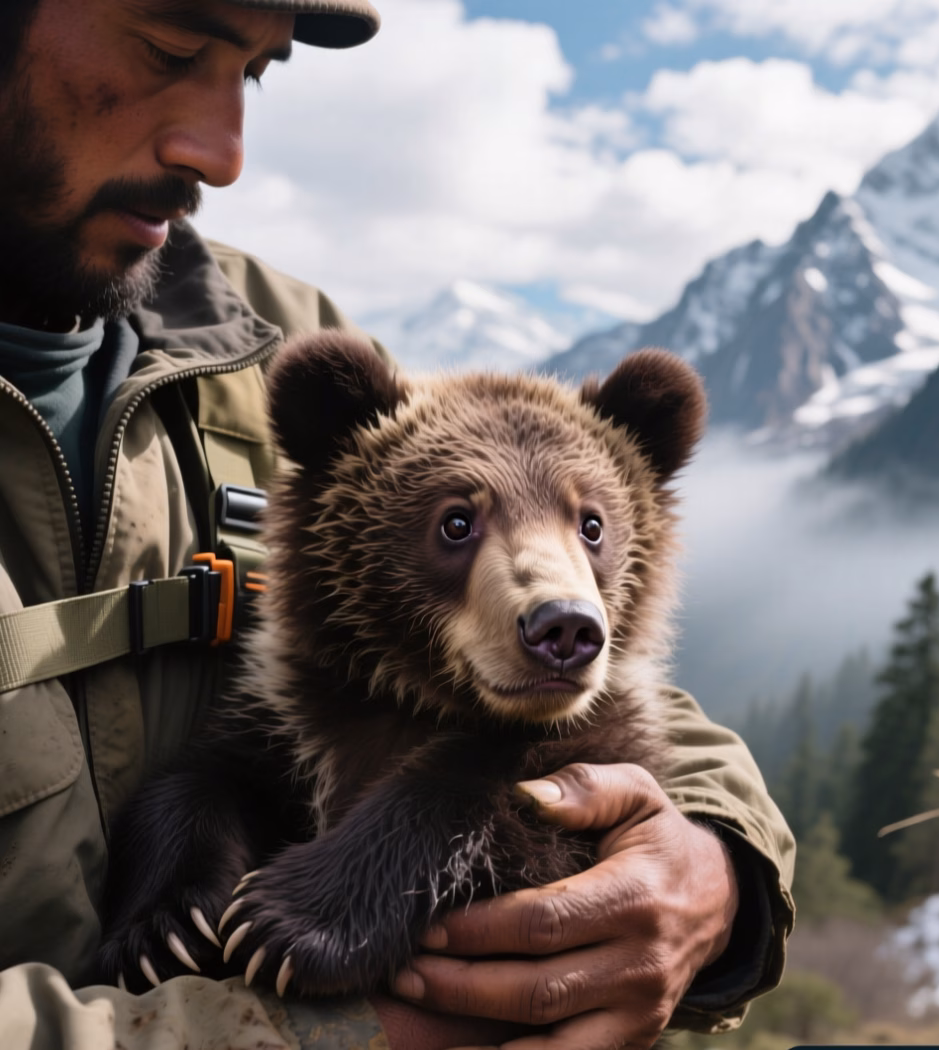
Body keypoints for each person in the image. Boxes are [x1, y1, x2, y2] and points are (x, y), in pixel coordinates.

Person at [0, 1, 796, 1048]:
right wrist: (292, 1032)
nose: (224, 153)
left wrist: (714, 865)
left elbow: (594, 672)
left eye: (255, 73)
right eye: (174, 49)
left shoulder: (262, 336)